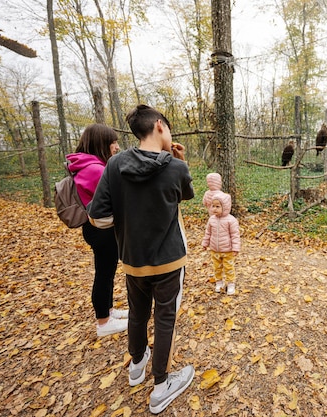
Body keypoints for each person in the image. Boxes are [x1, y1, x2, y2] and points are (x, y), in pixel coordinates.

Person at [87, 104, 195, 414]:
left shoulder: (115, 164)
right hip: (170, 262)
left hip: (133, 261)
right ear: (160, 126)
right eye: (169, 129)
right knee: (165, 319)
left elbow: (98, 216)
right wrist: (180, 162)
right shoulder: (175, 168)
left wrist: (126, 224)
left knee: (137, 313)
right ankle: (161, 386)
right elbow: (184, 196)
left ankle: (137, 366)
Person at [66, 124, 128, 338]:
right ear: (102, 143)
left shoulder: (87, 165)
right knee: (103, 273)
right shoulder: (96, 169)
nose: (116, 147)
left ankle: (108, 311)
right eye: (113, 142)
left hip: (95, 227)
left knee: (107, 271)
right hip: (101, 229)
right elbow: (116, 198)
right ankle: (103, 321)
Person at [201, 190, 241, 295]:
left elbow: (235, 235)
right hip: (215, 249)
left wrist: (235, 247)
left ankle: (231, 283)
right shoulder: (211, 220)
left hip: (227, 250)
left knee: (228, 267)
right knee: (217, 267)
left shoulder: (231, 220)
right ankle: (219, 282)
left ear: (225, 207)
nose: (214, 209)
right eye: (213, 206)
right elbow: (208, 232)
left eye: (217, 206)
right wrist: (205, 243)